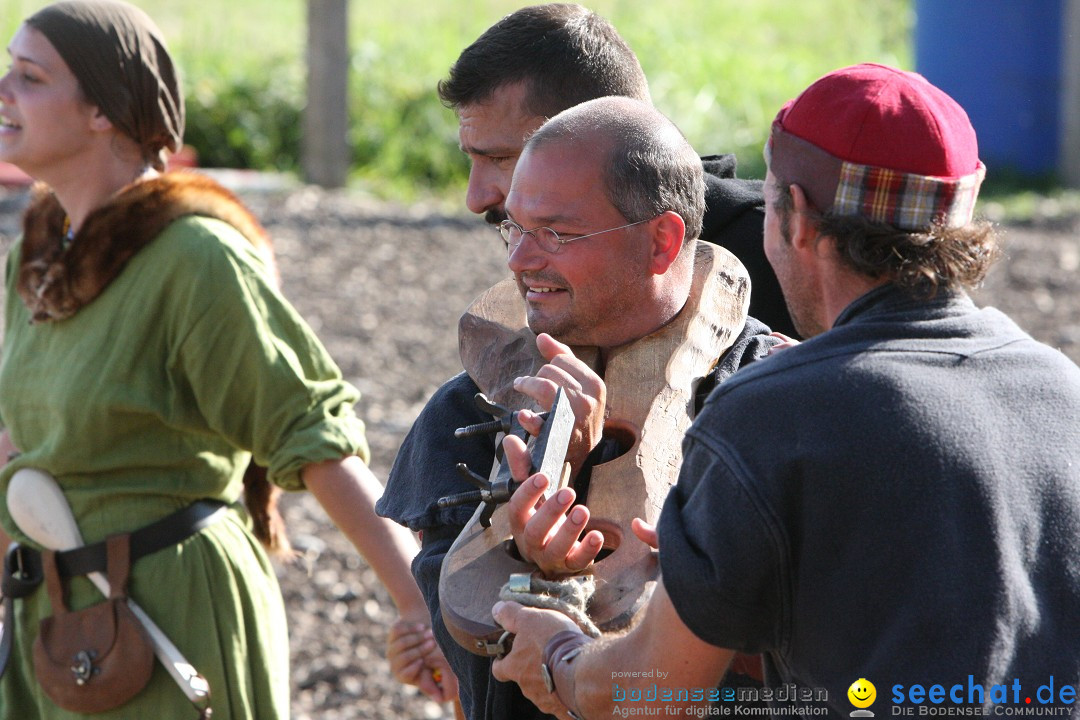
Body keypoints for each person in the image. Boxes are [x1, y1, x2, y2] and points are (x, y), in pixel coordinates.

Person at [489, 63, 1080, 718]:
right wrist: (719, 582)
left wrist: (560, 648)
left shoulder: (775, 413)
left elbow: (650, 694)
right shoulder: (1062, 391)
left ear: (795, 216)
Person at [0, 2, 451, 718]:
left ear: (102, 112)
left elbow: (312, 432)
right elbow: (21, 447)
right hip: (53, 623)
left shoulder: (197, 258)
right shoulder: (35, 257)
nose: (3, 90)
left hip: (171, 619)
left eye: (28, 76)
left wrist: (422, 605)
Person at [378, 86, 778, 718]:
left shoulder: (772, 402)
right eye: (514, 226)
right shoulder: (464, 417)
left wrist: (686, 592)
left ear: (662, 243)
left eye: (557, 233)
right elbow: (482, 684)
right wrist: (541, 572)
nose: (519, 259)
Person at [437, 3, 795, 337]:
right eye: (473, 158)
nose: (475, 198)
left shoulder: (783, 260)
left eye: (500, 159)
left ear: (596, 125)